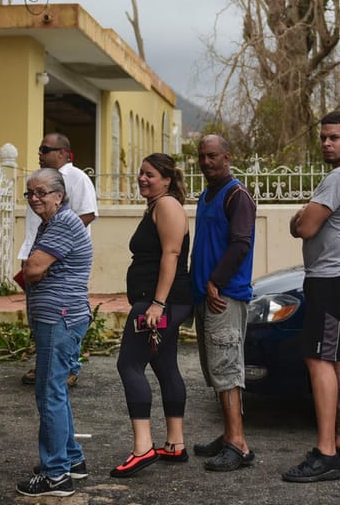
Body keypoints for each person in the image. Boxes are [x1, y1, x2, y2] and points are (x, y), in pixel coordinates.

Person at [282, 110, 340, 484]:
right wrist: (303, 217)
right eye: (323, 138)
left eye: (334, 137)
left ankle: (326, 454)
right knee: (336, 362)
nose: (327, 143)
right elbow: (303, 224)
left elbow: (304, 227)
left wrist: (303, 214)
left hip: (332, 281)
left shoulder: (339, 178)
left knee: (319, 360)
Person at [111, 153, 192, 478]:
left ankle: (143, 448)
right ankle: (174, 444)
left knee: (129, 364)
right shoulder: (159, 206)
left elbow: (172, 254)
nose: (143, 179)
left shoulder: (167, 206)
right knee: (164, 364)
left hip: (160, 302)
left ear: (168, 179)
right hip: (165, 301)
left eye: (150, 174)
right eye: (141, 173)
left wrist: (157, 303)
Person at [16, 168, 94, 497]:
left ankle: (56, 474)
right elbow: (33, 270)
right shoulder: (52, 223)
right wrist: (35, 270)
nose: (35, 198)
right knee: (56, 392)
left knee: (48, 395)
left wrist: (34, 269)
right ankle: (72, 461)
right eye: (30, 193)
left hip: (59, 319)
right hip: (60, 317)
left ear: (59, 196)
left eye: (41, 192)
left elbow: (31, 268)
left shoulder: (62, 223)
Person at [189, 134, 257, 472]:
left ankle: (238, 444)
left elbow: (241, 244)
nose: (206, 162)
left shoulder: (237, 195)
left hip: (224, 298)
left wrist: (216, 281)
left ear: (227, 156)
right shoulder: (206, 195)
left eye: (212, 155)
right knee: (217, 369)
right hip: (207, 297)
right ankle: (229, 435)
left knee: (228, 370)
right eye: (201, 156)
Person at [20, 133, 99, 388]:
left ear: (64, 153)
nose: (40, 154)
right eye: (40, 149)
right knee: (38, 316)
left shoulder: (76, 177)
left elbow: (86, 213)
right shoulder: (40, 180)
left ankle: (67, 368)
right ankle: (47, 363)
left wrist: (57, 249)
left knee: (60, 318)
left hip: (57, 260)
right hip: (39, 253)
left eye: (46, 149)